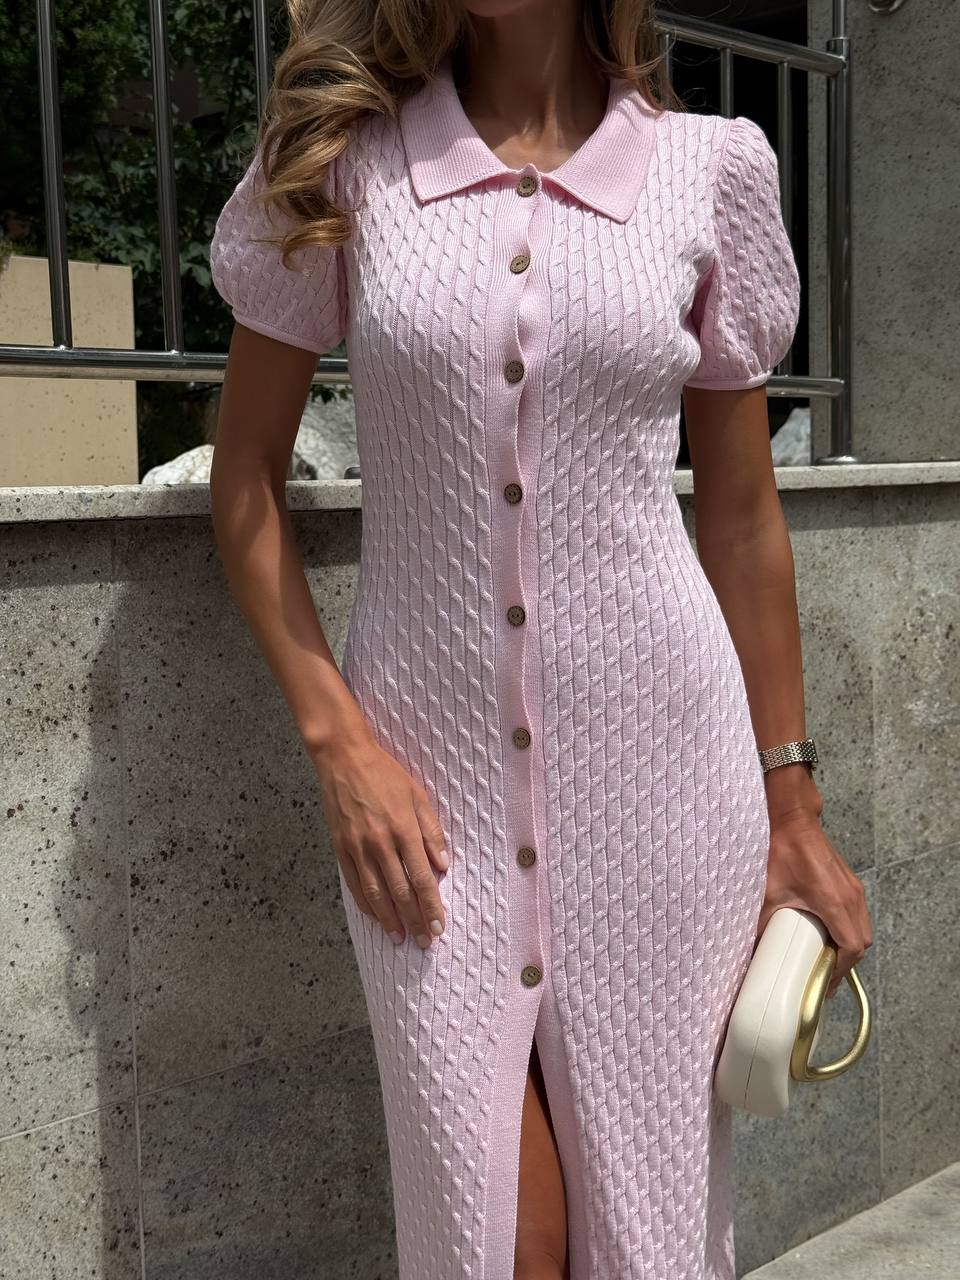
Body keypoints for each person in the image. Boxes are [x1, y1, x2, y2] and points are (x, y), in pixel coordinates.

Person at [208, 2, 874, 1276]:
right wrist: (338, 742)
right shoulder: (345, 158)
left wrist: (791, 807)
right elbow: (245, 485)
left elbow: (740, 521)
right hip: (425, 814)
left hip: (666, 797)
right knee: (493, 1239)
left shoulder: (708, 169)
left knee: (652, 1233)